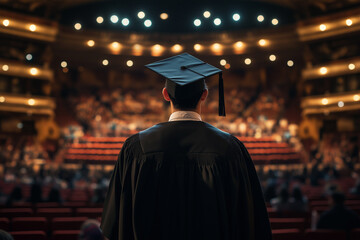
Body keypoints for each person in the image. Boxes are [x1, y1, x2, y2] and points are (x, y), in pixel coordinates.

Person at [101, 53, 272, 240]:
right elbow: (251, 223)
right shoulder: (230, 148)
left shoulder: (135, 148)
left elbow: (114, 224)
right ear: (204, 95)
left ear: (166, 95)